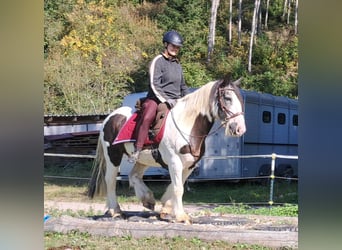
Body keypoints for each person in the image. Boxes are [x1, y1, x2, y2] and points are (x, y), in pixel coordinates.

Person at [128, 30, 190, 163]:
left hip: (176, 100)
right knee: (148, 116)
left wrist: (189, 99)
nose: (175, 49)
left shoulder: (177, 65)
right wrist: (166, 99)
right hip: (156, 99)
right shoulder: (158, 60)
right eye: (173, 46)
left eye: (177, 47)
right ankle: (137, 149)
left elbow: (183, 86)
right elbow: (154, 84)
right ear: (166, 44)